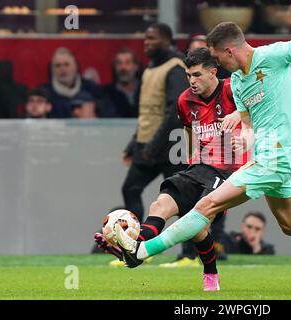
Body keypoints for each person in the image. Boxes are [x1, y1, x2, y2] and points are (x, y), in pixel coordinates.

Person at [114, 21, 291, 292]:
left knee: (205, 206)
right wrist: (242, 135)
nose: (218, 65)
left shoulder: (274, 55)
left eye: (217, 58)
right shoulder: (237, 81)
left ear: (229, 51)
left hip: (276, 157)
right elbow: (249, 121)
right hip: (263, 157)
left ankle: (142, 250)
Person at [95, 47, 244, 291]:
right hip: (199, 167)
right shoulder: (185, 100)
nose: (192, 81)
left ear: (213, 72)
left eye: (196, 75)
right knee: (160, 206)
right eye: (188, 76)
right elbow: (189, 132)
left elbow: (259, 112)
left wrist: (238, 117)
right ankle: (134, 246)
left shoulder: (232, 90)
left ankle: (205, 272)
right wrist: (192, 159)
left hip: (229, 170)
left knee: (199, 224)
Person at [121, 23, 189, 223]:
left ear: (167, 40)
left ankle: (190, 252)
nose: (147, 42)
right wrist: (133, 144)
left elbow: (175, 112)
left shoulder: (176, 67)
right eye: (145, 38)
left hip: (169, 147)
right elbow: (146, 115)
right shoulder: (149, 69)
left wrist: (153, 146)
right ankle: (134, 247)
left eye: (152, 38)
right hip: (147, 146)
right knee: (130, 189)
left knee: (182, 198)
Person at [43, 47, 110, 118]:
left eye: (66, 64)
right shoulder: (45, 92)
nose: (62, 69)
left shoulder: (92, 88)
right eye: (58, 65)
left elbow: (107, 114)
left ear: (75, 67)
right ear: (52, 70)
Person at [103, 48, 141, 118]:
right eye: (119, 63)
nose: (123, 68)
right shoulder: (106, 94)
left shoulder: (145, 91)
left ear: (136, 66)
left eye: (127, 63)